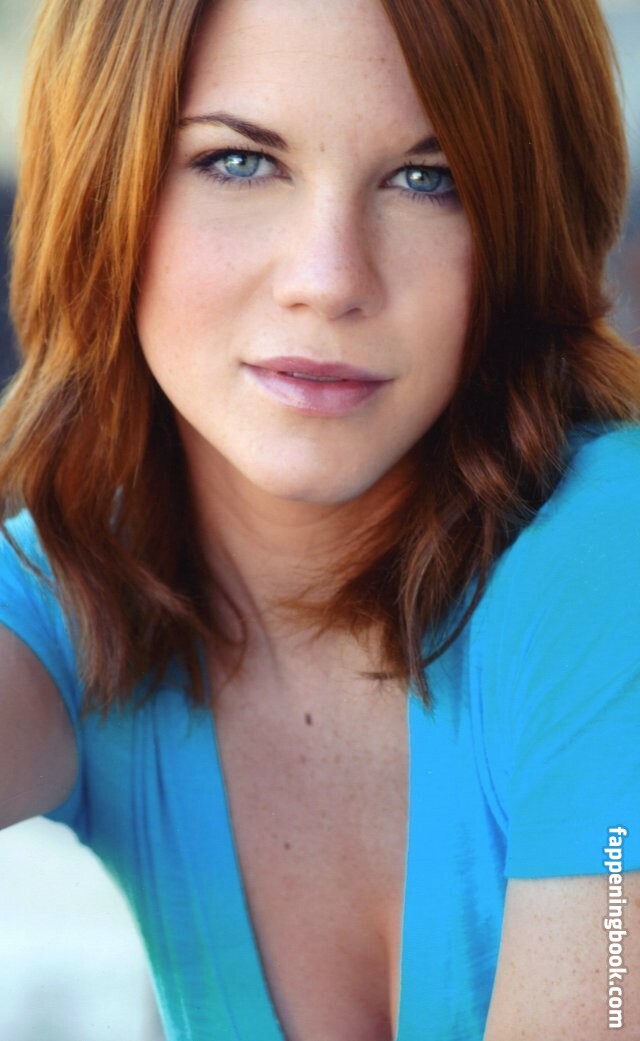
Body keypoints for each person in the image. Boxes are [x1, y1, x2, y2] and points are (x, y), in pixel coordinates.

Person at [0, 0, 638, 1038]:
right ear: (101, 182)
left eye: (428, 179)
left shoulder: (612, 558)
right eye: (239, 162)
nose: (329, 280)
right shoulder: (84, 584)